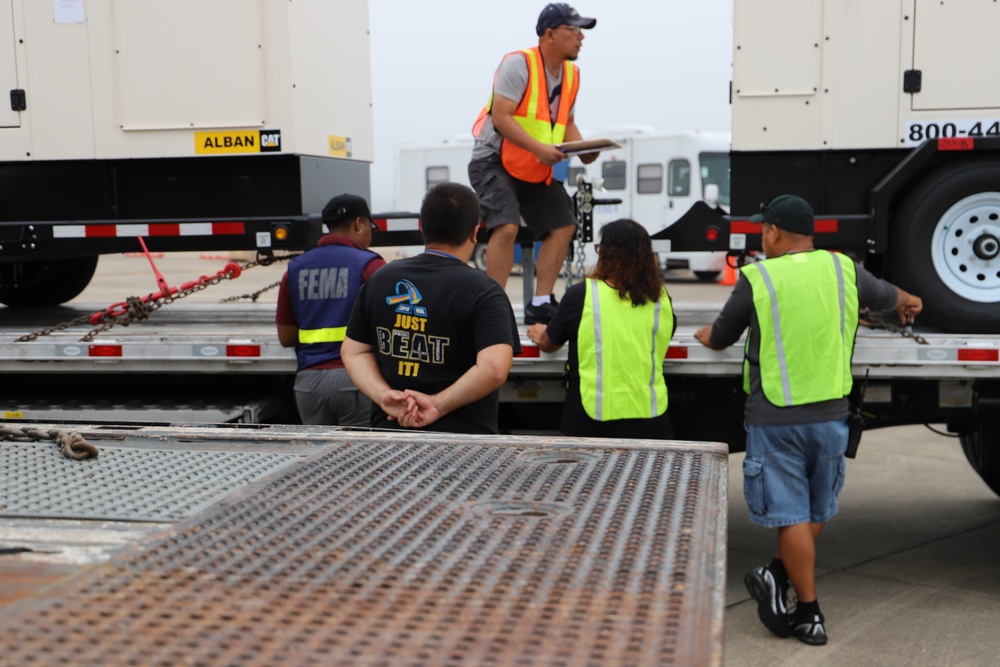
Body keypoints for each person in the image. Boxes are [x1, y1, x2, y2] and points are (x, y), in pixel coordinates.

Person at [694, 194, 923, 646]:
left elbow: (722, 336)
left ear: (775, 232)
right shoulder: (842, 269)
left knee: (793, 514)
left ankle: (810, 613)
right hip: (831, 415)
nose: (763, 235)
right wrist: (909, 299)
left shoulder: (758, 276)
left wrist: (707, 334)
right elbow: (885, 296)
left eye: (765, 229)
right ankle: (777, 574)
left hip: (775, 417)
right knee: (815, 511)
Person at [342, 182, 521, 434]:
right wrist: (437, 405)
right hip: (465, 444)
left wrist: (384, 396)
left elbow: (354, 352)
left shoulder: (381, 279)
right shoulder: (485, 291)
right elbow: (493, 369)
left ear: (422, 227)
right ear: (474, 232)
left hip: (390, 437)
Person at [468, 2, 600, 324]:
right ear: (550, 34)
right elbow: (501, 118)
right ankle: (494, 307)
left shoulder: (572, 75)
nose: (581, 38)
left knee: (564, 223)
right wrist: (541, 149)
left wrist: (584, 148)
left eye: (582, 31)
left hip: (530, 164)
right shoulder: (519, 64)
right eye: (574, 30)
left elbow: (566, 121)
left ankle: (540, 302)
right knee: (507, 223)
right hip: (493, 160)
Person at [526, 219, 676, 438]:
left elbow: (549, 344)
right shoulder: (661, 298)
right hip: (650, 419)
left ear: (606, 255)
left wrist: (542, 334)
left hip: (592, 421)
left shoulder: (582, 295)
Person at [275, 194, 386, 426]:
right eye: (369, 228)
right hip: (355, 380)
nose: (370, 235)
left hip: (308, 386)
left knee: (319, 459)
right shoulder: (370, 265)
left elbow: (286, 338)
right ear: (359, 224)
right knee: (361, 459)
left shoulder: (295, 269)